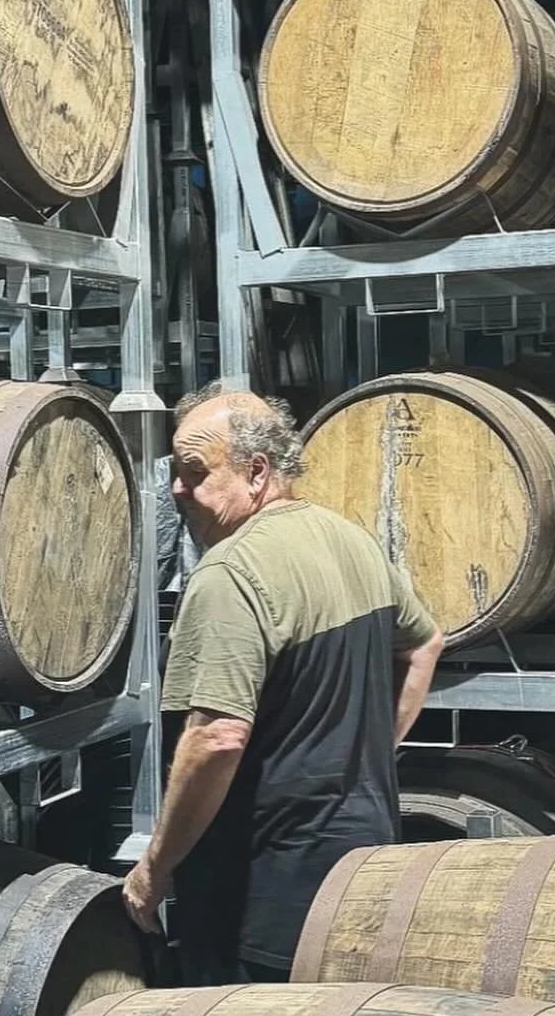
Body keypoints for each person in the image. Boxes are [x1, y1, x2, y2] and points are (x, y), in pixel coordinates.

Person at [122, 381, 444, 983]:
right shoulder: (350, 539)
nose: (177, 489)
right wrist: (371, 752)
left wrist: (154, 868)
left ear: (256, 472)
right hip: (365, 872)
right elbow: (425, 644)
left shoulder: (231, 574)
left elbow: (217, 737)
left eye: (195, 472)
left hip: (261, 898)